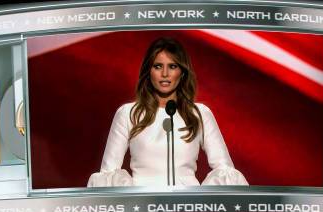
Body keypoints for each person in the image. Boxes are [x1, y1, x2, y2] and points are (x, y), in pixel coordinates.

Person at [88, 37, 248, 187]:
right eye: (158, 66)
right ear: (148, 71)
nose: (165, 74)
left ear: (182, 72)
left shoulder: (200, 114)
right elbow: (108, 173)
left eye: (172, 66)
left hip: (189, 208)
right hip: (141, 208)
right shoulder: (128, 113)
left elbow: (225, 171)